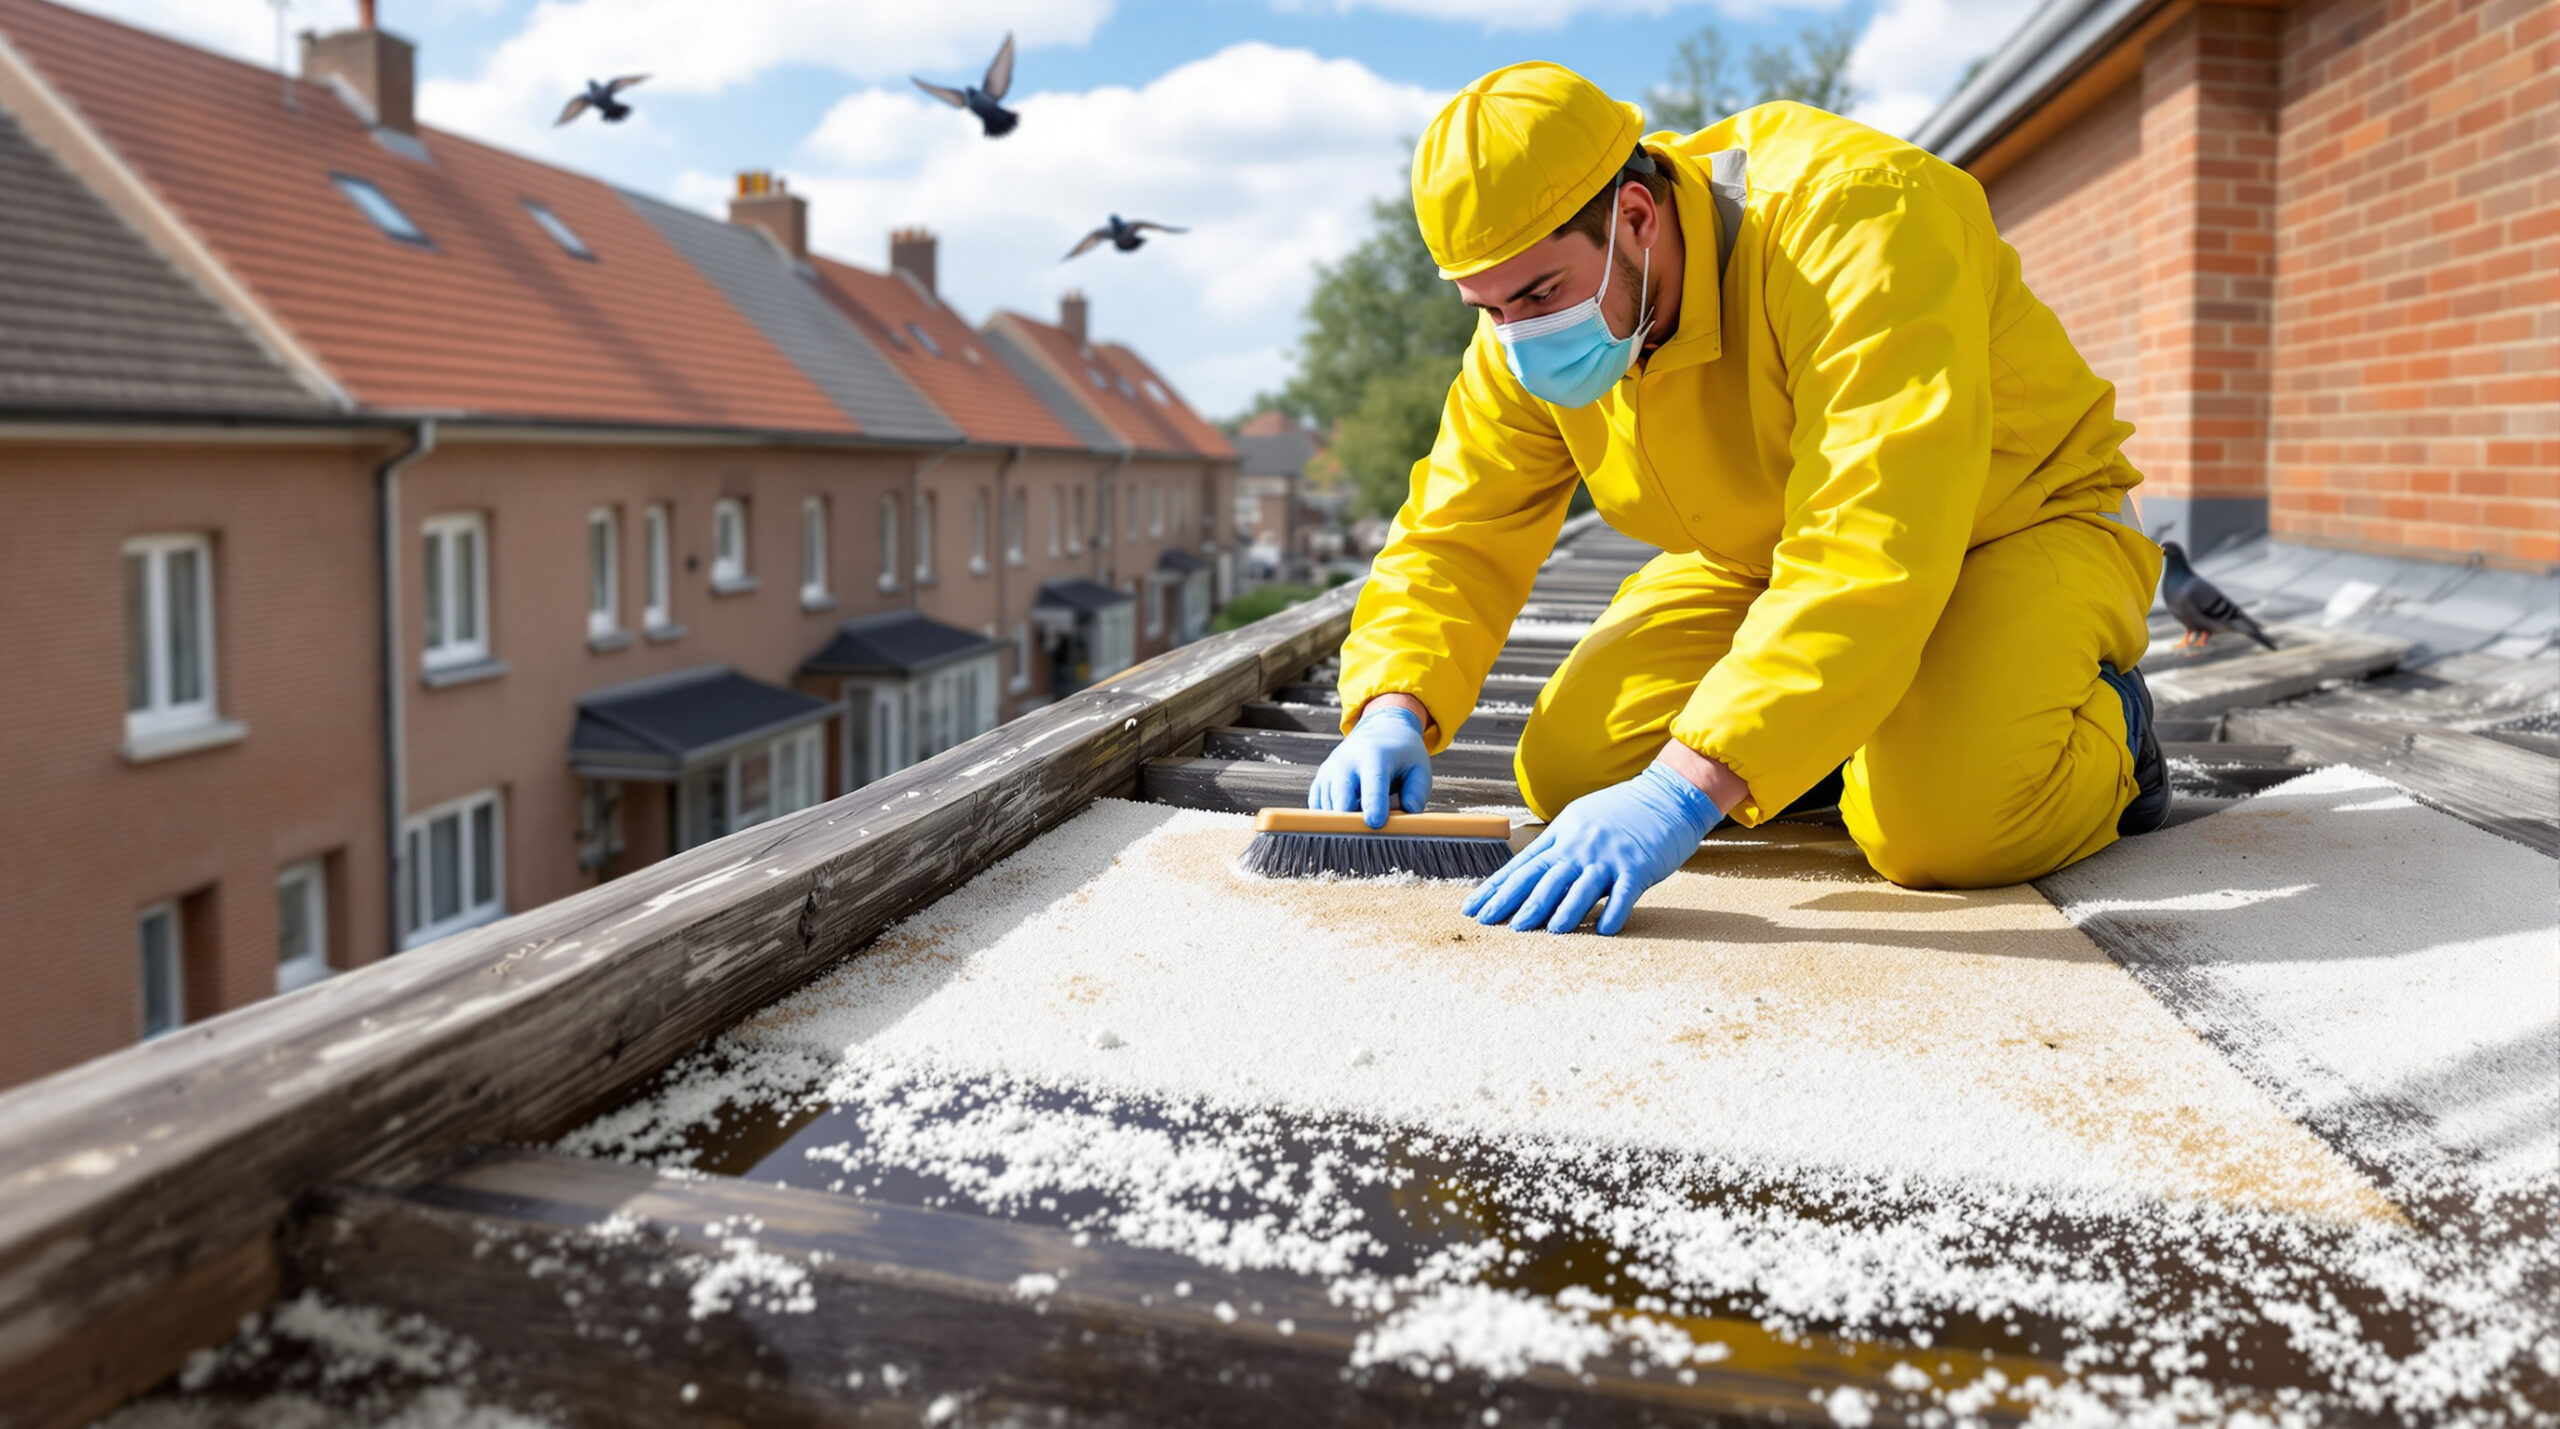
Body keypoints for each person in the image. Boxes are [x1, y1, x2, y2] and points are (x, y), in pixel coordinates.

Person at [1308, 62, 2169, 936]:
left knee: (1944, 828)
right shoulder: (1528, 321)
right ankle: (1842, 722)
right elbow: (1460, 526)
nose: (1519, 337)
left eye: (1538, 295)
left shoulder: (1858, 218)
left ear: (1635, 218)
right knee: (1573, 768)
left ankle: (2116, 723)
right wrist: (1392, 705)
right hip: (1771, 559)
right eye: (1485, 308)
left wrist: (1689, 787)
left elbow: (1874, 535)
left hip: (2019, 522)